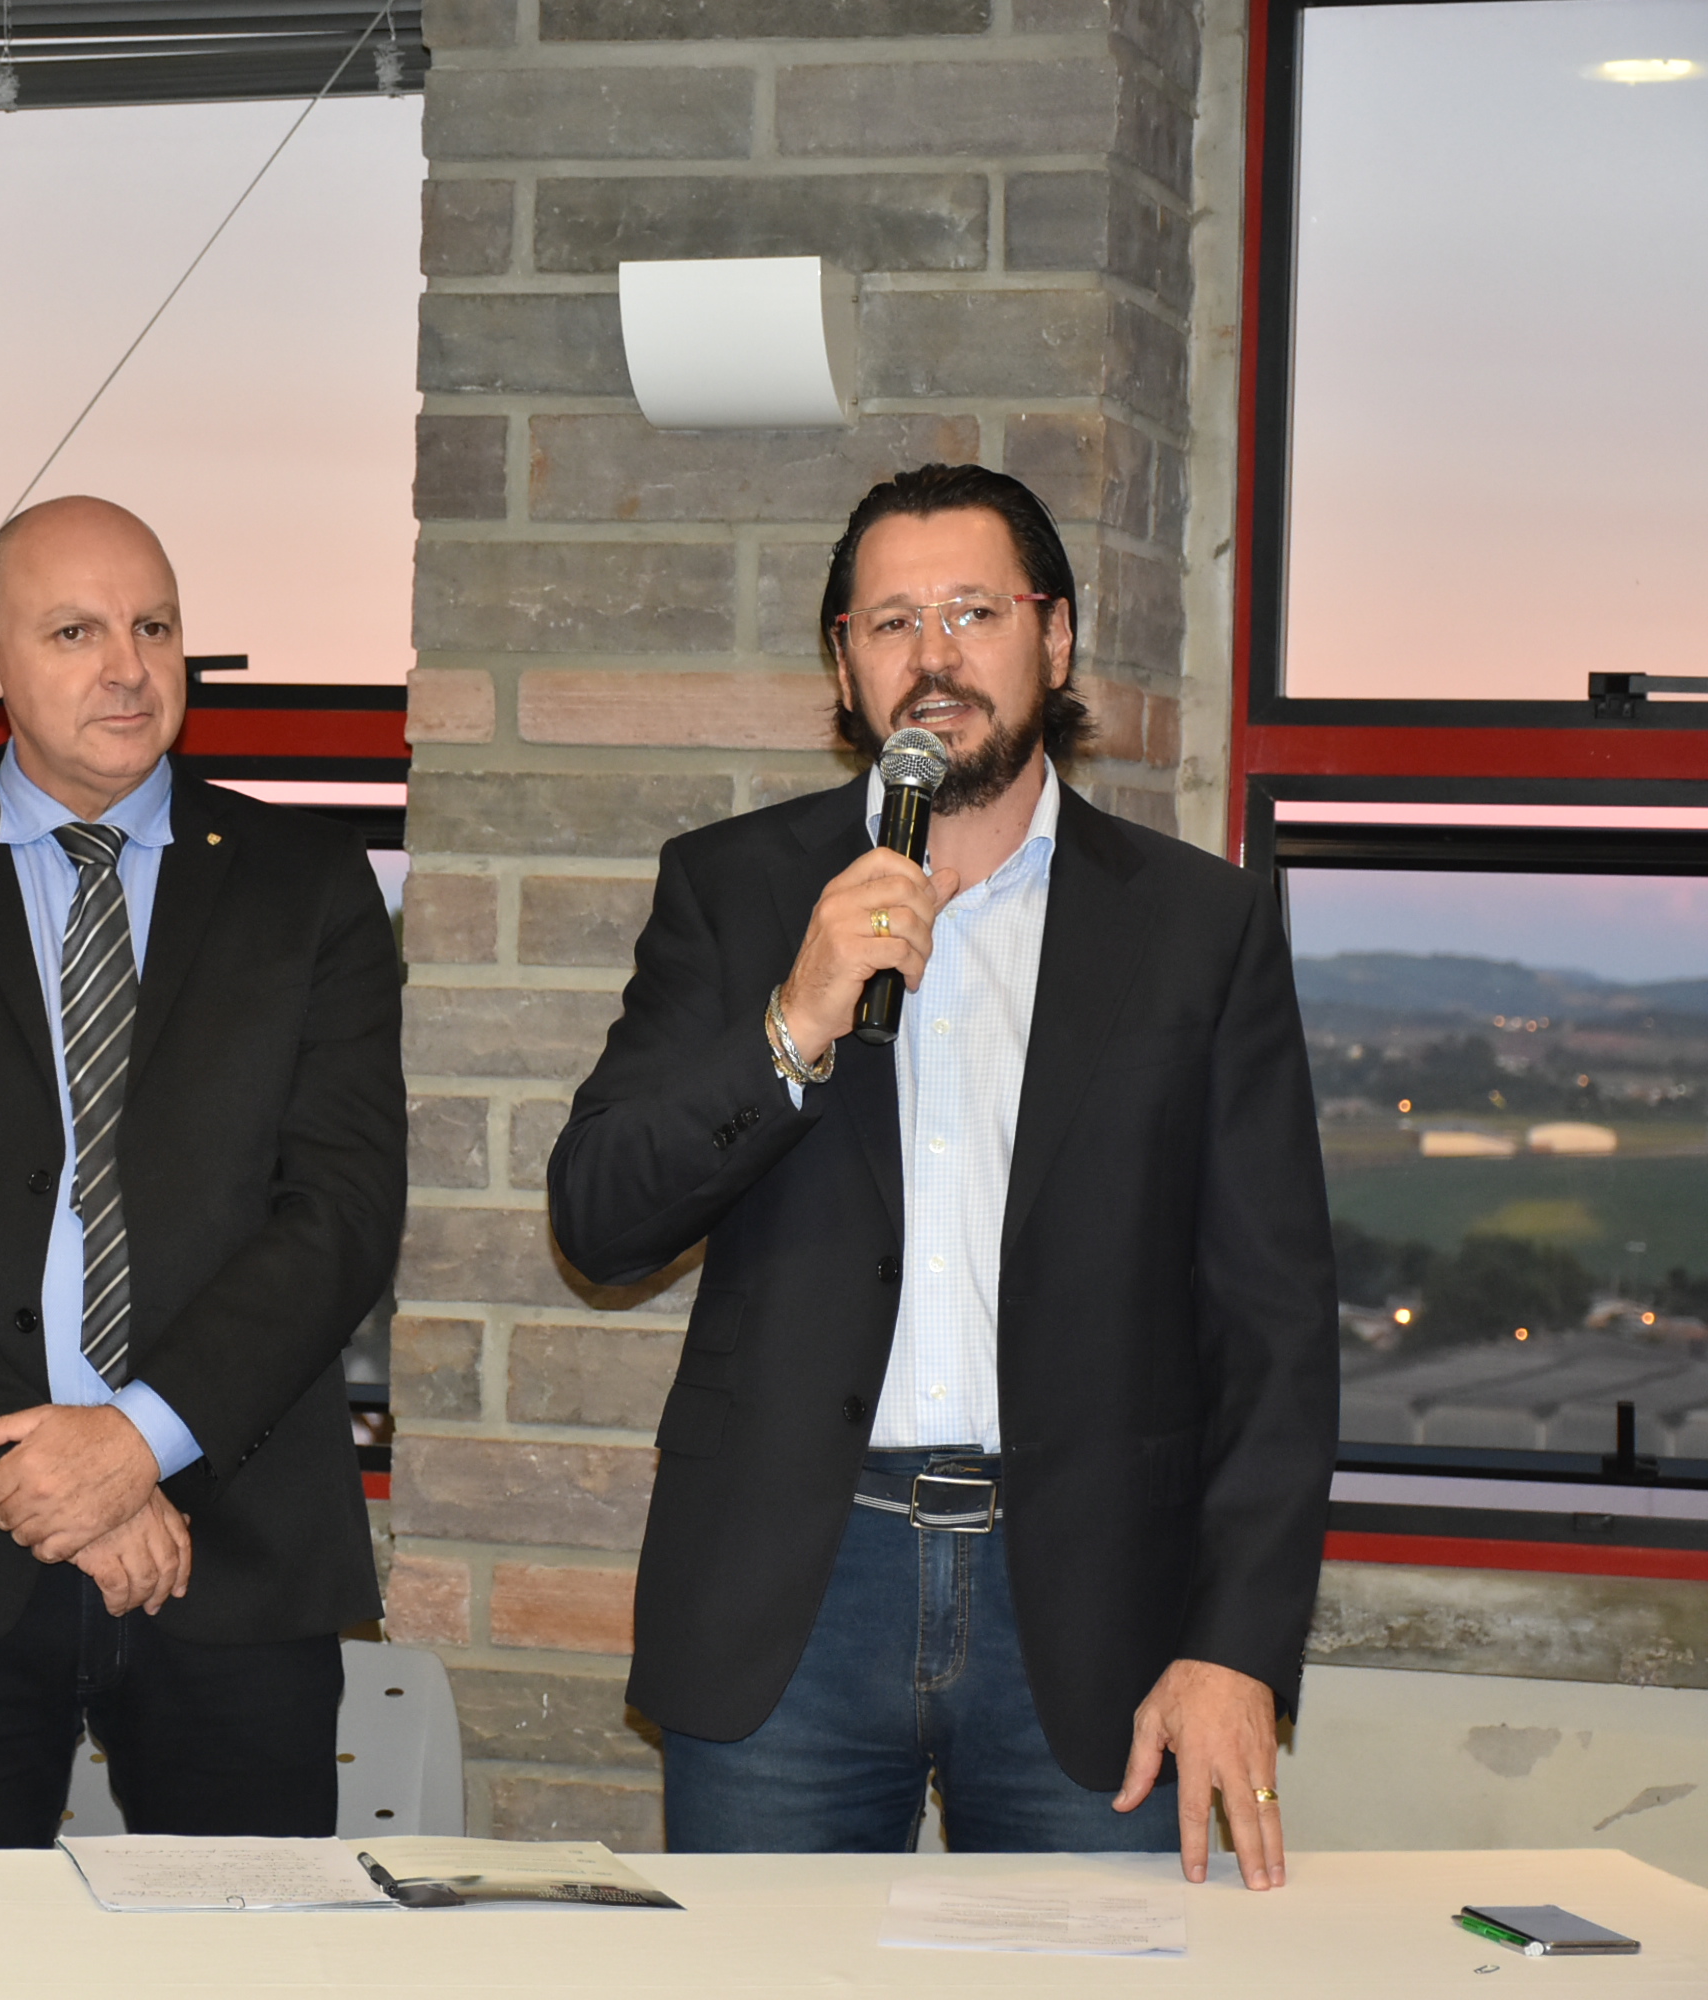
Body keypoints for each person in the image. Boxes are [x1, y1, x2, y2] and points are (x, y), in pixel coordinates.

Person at [548, 462, 1337, 1888]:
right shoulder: (733, 890)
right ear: (843, 663)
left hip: (1093, 1611)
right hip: (794, 1596)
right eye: (892, 621)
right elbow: (600, 1219)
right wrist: (794, 1020)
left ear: (1056, 638)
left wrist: (1236, 1646)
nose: (934, 656)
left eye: (974, 611)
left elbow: (1276, 1330)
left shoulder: (1197, 926)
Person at [0, 494, 403, 1849]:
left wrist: (135, 1442)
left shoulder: (308, 882)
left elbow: (340, 1212)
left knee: (244, 1944)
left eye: (154, 627)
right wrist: (46, 1474)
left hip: (236, 1549)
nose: (128, 667)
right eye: (75, 632)